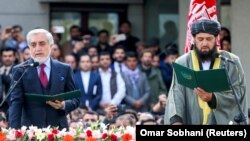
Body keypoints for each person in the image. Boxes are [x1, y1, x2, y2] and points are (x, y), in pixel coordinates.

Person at [164, 19, 247, 125]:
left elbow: (239, 93)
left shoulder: (231, 61)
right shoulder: (182, 62)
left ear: (216, 39)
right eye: (200, 39)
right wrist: (176, 120)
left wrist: (213, 98)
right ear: (194, 39)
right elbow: (176, 94)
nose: (204, 43)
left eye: (209, 39)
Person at [8, 29, 80, 129]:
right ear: (29, 47)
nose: (38, 48)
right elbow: (15, 103)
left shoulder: (65, 69)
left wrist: (63, 105)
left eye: (42, 44)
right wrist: (13, 131)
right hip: (30, 131)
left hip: (58, 130)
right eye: (33, 45)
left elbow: (75, 98)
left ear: (51, 45)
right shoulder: (20, 70)